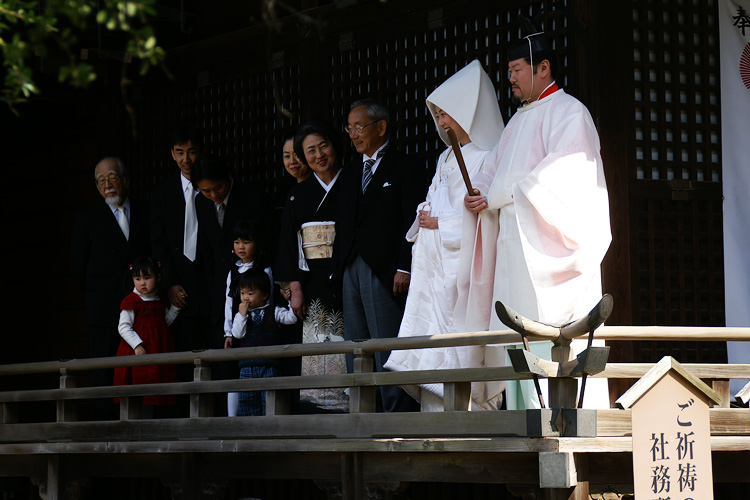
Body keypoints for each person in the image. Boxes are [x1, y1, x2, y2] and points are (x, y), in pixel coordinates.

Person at [460, 24, 612, 409]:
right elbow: (492, 172)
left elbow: (568, 176)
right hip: (514, 247)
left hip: (545, 249)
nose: (509, 78)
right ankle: (521, 415)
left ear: (542, 68)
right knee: (517, 332)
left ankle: (564, 412)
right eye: (509, 71)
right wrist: (480, 193)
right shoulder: (517, 121)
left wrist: (501, 195)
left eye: (516, 70)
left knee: (550, 329)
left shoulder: (570, 112)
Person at [383, 60, 505, 411]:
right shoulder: (444, 158)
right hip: (436, 268)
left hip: (462, 267)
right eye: (438, 115)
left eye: (446, 114)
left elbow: (487, 213)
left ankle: (473, 417)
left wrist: (445, 224)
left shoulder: (489, 157)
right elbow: (438, 199)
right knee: (432, 347)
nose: (442, 121)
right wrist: (424, 215)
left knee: (463, 344)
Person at [332, 99, 428, 413]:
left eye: (359, 127)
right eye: (350, 129)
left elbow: (411, 221)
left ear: (381, 127)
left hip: (385, 267)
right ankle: (361, 414)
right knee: (355, 347)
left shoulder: (404, 166)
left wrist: (405, 265)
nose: (353, 135)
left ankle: (396, 417)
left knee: (386, 344)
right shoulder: (349, 173)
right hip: (351, 266)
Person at [276, 120, 349, 413]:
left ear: (334, 146)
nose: (318, 155)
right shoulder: (298, 194)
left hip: (347, 275)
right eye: (310, 151)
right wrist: (293, 286)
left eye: (323, 147)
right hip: (313, 280)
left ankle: (351, 398)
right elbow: (286, 243)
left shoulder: (352, 182)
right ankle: (318, 403)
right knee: (318, 339)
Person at [70, 157, 150, 419]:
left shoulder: (144, 211)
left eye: (112, 177)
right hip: (104, 306)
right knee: (104, 363)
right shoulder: (87, 218)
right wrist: (98, 293)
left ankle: (141, 415)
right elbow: (78, 267)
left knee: (141, 358)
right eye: (101, 180)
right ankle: (104, 419)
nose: (108, 185)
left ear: (125, 180)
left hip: (141, 302)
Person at [150, 126, 210, 359]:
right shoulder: (161, 195)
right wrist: (170, 283)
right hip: (178, 288)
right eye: (180, 152)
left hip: (209, 283)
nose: (186, 159)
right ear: (172, 154)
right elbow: (159, 243)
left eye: (192, 152)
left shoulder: (212, 189)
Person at [114, 256, 180, 413]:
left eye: (147, 278)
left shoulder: (159, 299)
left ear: (157, 277)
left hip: (159, 349)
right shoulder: (131, 301)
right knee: (141, 390)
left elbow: (164, 322)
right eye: (138, 278)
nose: (142, 283)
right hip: (139, 352)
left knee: (160, 390)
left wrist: (175, 308)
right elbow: (123, 327)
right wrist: (137, 345)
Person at [228, 267, 297, 416]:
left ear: (265, 295)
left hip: (270, 366)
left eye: (251, 294)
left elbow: (291, 318)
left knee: (271, 405)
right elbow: (237, 334)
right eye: (242, 293)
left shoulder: (274, 311)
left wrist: (289, 301)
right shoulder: (241, 316)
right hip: (247, 367)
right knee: (248, 405)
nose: (245, 298)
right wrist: (242, 315)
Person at [223, 219, 274, 416]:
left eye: (246, 242)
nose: (240, 247)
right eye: (236, 242)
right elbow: (228, 304)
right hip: (239, 328)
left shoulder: (265, 270)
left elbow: (270, 300)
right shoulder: (233, 271)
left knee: (261, 370)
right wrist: (228, 332)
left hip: (262, 330)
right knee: (236, 373)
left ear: (257, 243)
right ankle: (233, 418)